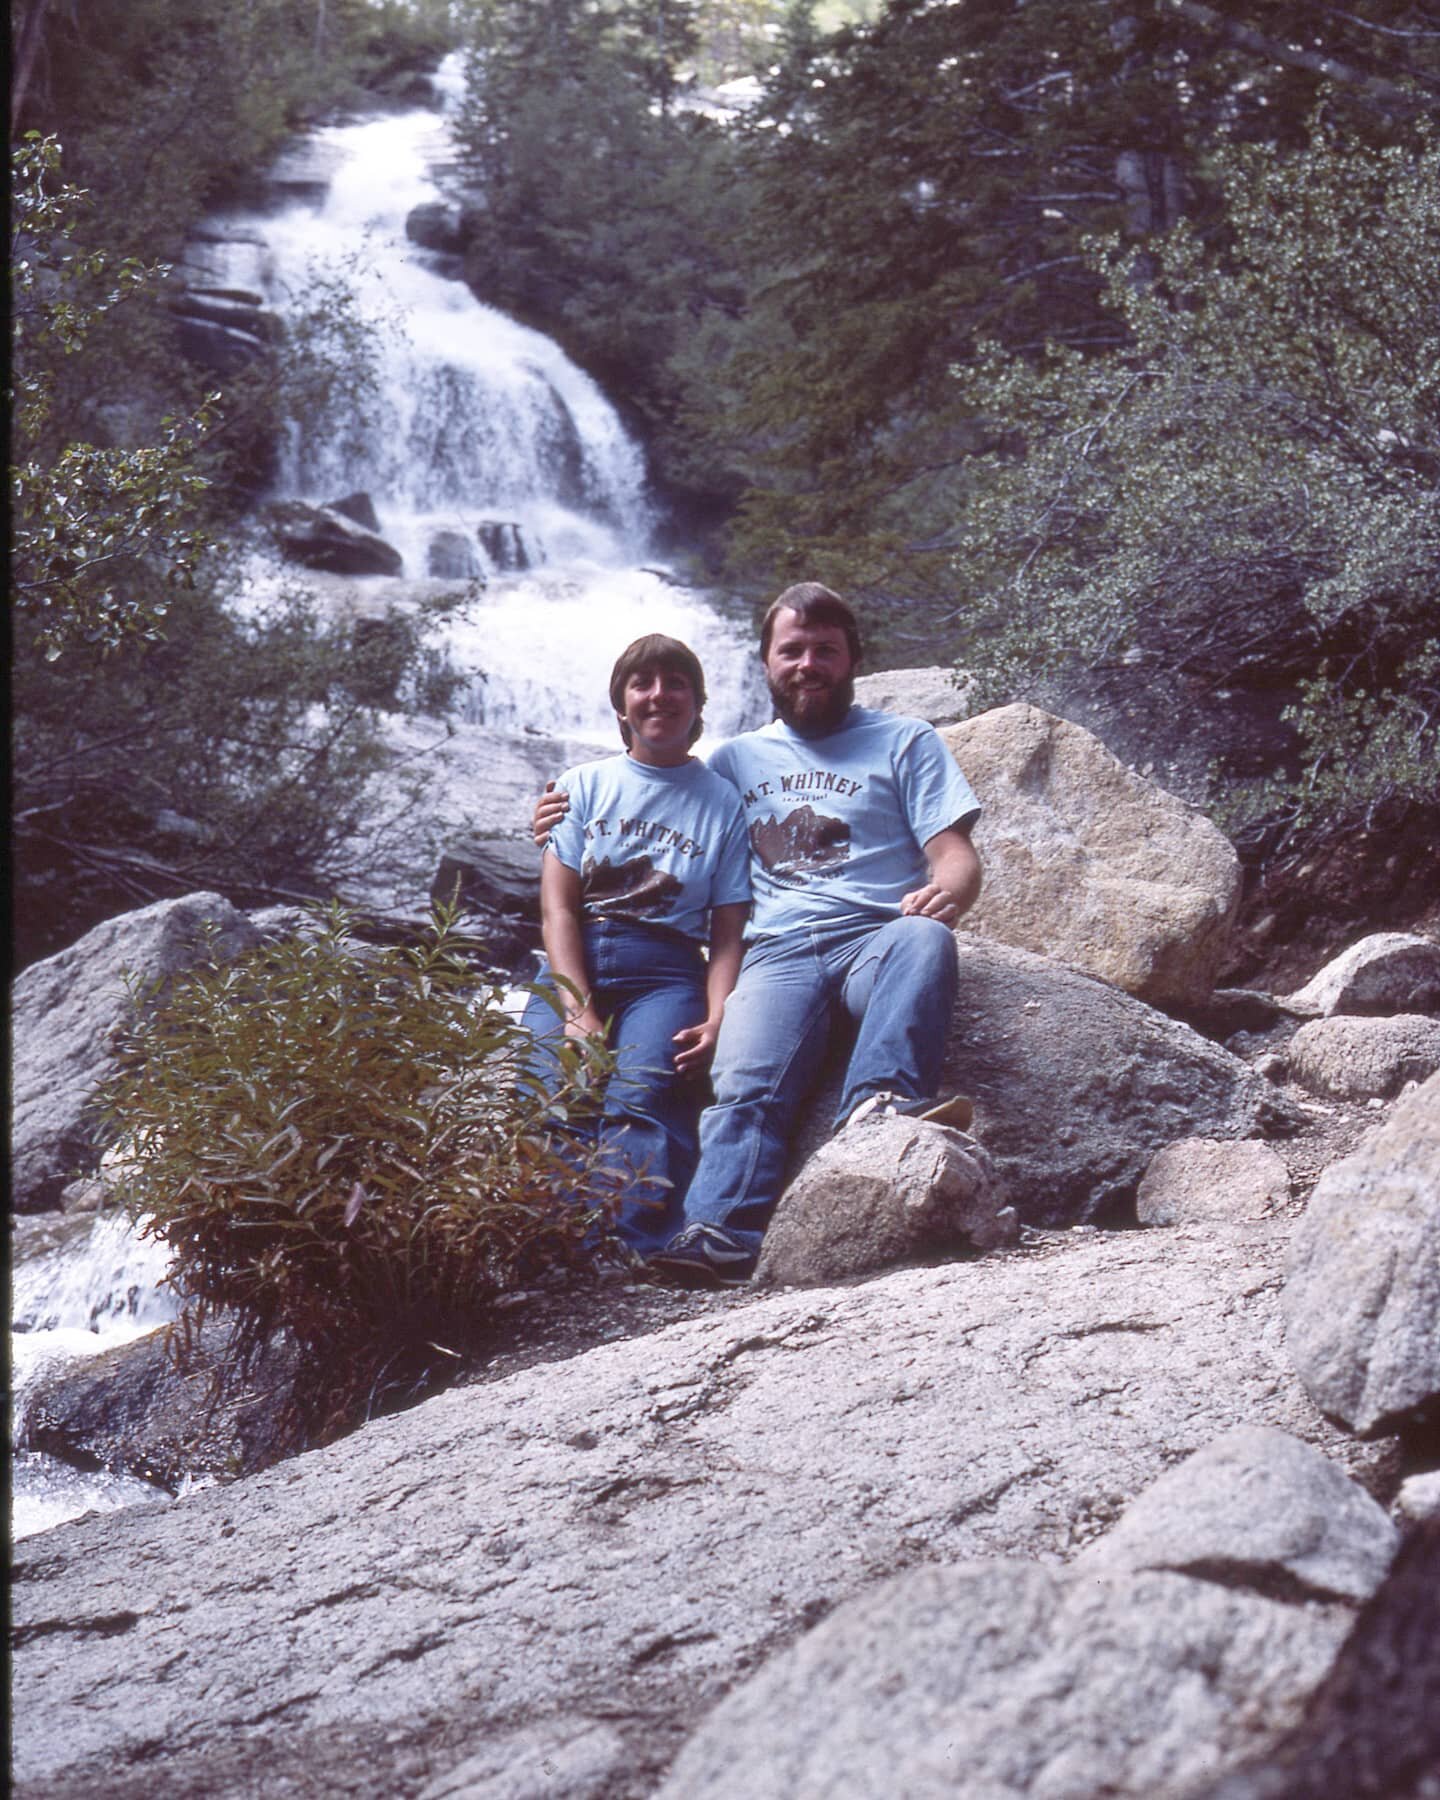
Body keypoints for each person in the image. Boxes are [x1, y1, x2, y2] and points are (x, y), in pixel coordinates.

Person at [535, 584, 983, 1285]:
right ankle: (719, 1229)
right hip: (773, 952)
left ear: (852, 659)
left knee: (925, 941)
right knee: (743, 1086)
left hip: (876, 936)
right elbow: (655, 790)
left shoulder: (906, 741)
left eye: (825, 651)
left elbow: (954, 851)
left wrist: (947, 891)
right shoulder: (731, 762)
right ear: (767, 663)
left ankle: (879, 1109)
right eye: (792, 650)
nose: (808, 664)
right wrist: (556, 816)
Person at [523, 634, 750, 1255]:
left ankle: (625, 1248)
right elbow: (558, 907)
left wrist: (717, 1013)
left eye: (675, 683)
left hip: (667, 968)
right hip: (575, 959)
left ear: (699, 703)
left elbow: (728, 931)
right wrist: (577, 1011)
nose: (659, 696)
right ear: (621, 705)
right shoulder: (582, 784)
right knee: (549, 1091)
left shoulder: (725, 802)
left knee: (641, 1097)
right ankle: (548, 1248)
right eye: (642, 684)